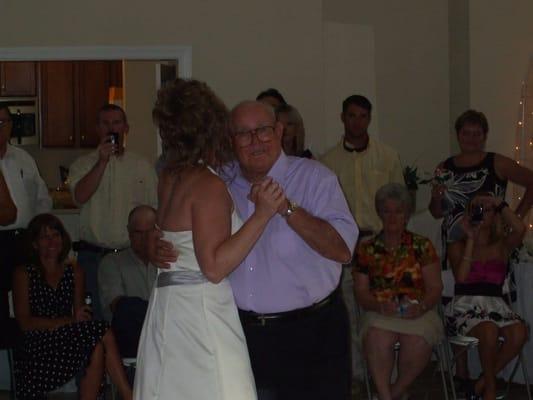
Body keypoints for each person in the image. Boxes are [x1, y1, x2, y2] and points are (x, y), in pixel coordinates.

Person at [153, 100, 358, 400]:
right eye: (243, 134)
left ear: (279, 130)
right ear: (229, 139)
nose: (255, 141)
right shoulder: (217, 182)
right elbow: (178, 225)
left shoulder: (315, 177)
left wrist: (287, 209)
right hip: (240, 333)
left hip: (312, 333)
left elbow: (342, 250)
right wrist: (155, 247)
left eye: (262, 130)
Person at [134, 80, 285, 400]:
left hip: (168, 309)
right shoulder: (206, 185)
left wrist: (155, 244)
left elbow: (171, 237)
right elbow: (214, 267)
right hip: (200, 313)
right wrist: (262, 214)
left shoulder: (169, 178)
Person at [321, 94, 404, 385]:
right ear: (343, 118)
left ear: (370, 119)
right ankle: (357, 379)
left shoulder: (388, 157)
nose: (357, 121)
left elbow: (400, 204)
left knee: (384, 313)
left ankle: (389, 381)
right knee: (349, 315)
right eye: (352, 115)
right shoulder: (327, 161)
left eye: (363, 116)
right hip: (344, 246)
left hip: (381, 243)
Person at [12, 213, 132, 400]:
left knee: (97, 344)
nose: (52, 241)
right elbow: (25, 322)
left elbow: (80, 317)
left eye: (56, 235)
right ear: (35, 244)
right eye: (45, 237)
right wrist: (67, 321)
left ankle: (123, 395)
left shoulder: (74, 271)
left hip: (66, 337)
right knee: (101, 332)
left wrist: (74, 320)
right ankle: (128, 395)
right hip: (36, 342)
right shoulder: (24, 273)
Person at [354, 183, 443, 400]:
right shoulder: (367, 249)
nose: (392, 217)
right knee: (376, 338)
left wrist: (421, 307)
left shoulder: (422, 245)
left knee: (418, 341)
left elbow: (435, 287)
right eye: (387, 211)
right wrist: (379, 306)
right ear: (379, 213)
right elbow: (361, 292)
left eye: (398, 211)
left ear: (407, 214)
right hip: (380, 311)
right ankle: (387, 395)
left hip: (417, 310)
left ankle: (392, 393)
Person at [69, 104, 157, 318]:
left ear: (125, 128)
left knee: (129, 320)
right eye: (105, 123)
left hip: (130, 257)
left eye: (116, 122)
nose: (111, 128)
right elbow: (79, 196)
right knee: (94, 322)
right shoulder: (82, 164)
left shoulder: (142, 166)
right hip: (92, 256)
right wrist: (101, 162)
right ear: (97, 129)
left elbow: (155, 210)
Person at [445, 193, 527, 400]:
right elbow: (462, 278)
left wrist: (500, 204)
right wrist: (471, 239)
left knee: (519, 332)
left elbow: (520, 228)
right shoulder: (458, 244)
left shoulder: (502, 245)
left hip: (496, 305)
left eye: (486, 209)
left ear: (495, 215)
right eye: (476, 208)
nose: (480, 213)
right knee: (489, 330)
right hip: (466, 306)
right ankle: (489, 390)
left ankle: (480, 384)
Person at [0, 103, 52, 334]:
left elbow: (42, 199)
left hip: (23, 241)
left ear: (11, 126)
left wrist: (41, 236)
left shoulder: (24, 159)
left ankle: (25, 363)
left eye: (3, 122)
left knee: (25, 308)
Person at [98, 205, 158, 358]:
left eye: (149, 232)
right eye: (139, 233)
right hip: (131, 338)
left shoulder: (168, 262)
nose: (145, 239)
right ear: (129, 233)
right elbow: (117, 307)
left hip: (164, 334)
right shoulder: (112, 262)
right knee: (127, 309)